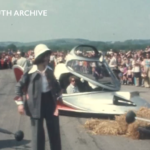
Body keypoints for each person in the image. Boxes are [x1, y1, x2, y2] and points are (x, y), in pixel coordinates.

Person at [14, 44, 62, 150]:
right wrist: (20, 104)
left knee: (54, 132)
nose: (48, 58)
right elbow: (18, 86)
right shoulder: (30, 71)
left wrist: (59, 93)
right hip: (35, 105)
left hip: (50, 103)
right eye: (45, 55)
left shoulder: (50, 69)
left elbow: (56, 85)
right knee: (37, 135)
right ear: (40, 57)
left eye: (48, 55)